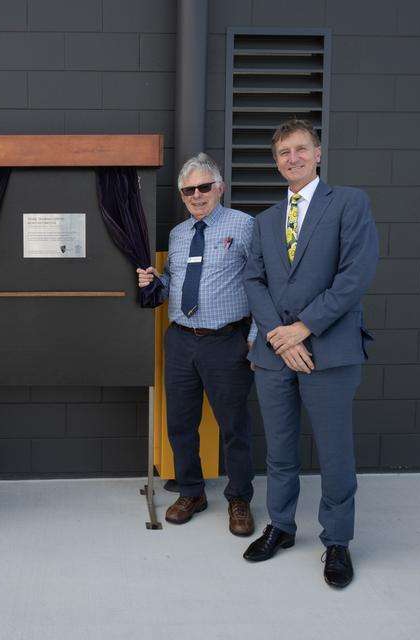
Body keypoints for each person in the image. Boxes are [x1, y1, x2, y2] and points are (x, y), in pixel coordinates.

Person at [242, 119, 379, 589]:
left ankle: (337, 541)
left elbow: (355, 275)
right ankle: (280, 526)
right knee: (280, 451)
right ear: (276, 161)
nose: (292, 158)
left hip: (330, 351)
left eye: (300, 149)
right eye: (283, 152)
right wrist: (279, 336)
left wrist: (303, 328)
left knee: (335, 452)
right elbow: (253, 281)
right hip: (273, 354)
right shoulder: (263, 222)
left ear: (317, 153)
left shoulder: (348, 204)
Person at [137, 153, 257, 536]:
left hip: (226, 341)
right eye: (189, 190)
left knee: (234, 426)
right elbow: (175, 283)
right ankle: (192, 492)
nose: (197, 195)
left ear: (219, 187)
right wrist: (156, 281)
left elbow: (262, 284)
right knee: (181, 424)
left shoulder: (244, 226)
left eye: (205, 187)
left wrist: (254, 338)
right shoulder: (179, 234)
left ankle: (239, 499)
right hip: (182, 341)